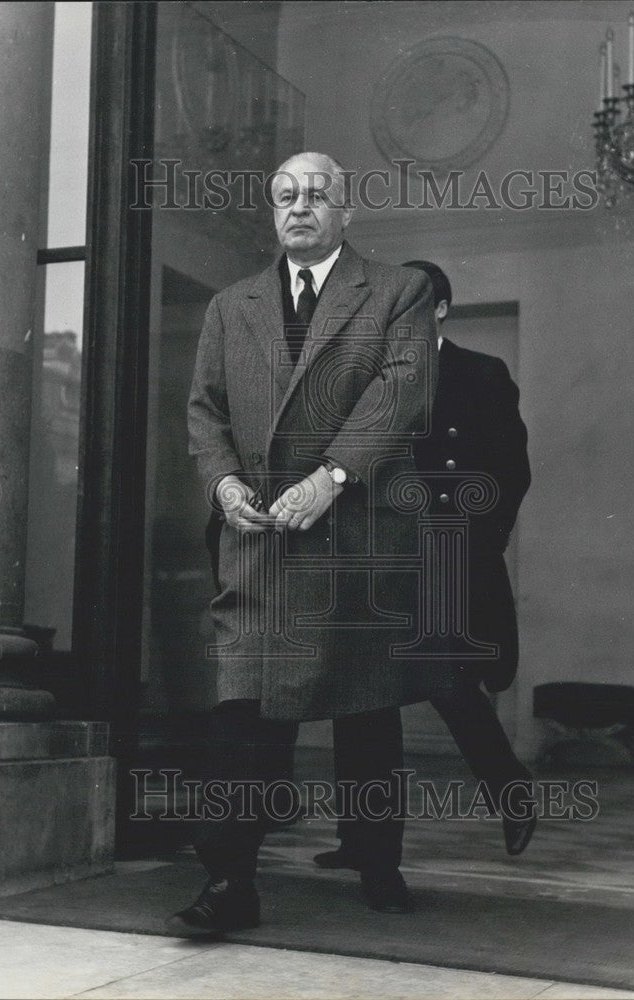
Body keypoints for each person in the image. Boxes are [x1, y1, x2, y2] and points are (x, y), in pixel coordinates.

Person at [170, 153, 445, 936]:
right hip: (258, 540)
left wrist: (328, 479)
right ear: (271, 210)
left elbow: (399, 394)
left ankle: (376, 857)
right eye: (285, 195)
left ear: (346, 210)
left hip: (353, 536)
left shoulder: (398, 291)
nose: (299, 206)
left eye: (317, 194)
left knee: (365, 710)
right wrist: (225, 490)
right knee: (243, 717)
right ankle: (229, 880)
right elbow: (205, 413)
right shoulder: (232, 304)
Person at [314, 260, 537, 875]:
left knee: (443, 677)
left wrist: (473, 542)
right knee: (360, 700)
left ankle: (512, 793)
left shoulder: (480, 374)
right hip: (370, 558)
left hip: (443, 556)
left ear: (440, 309)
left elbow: (510, 471)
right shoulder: (361, 376)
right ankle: (365, 843)